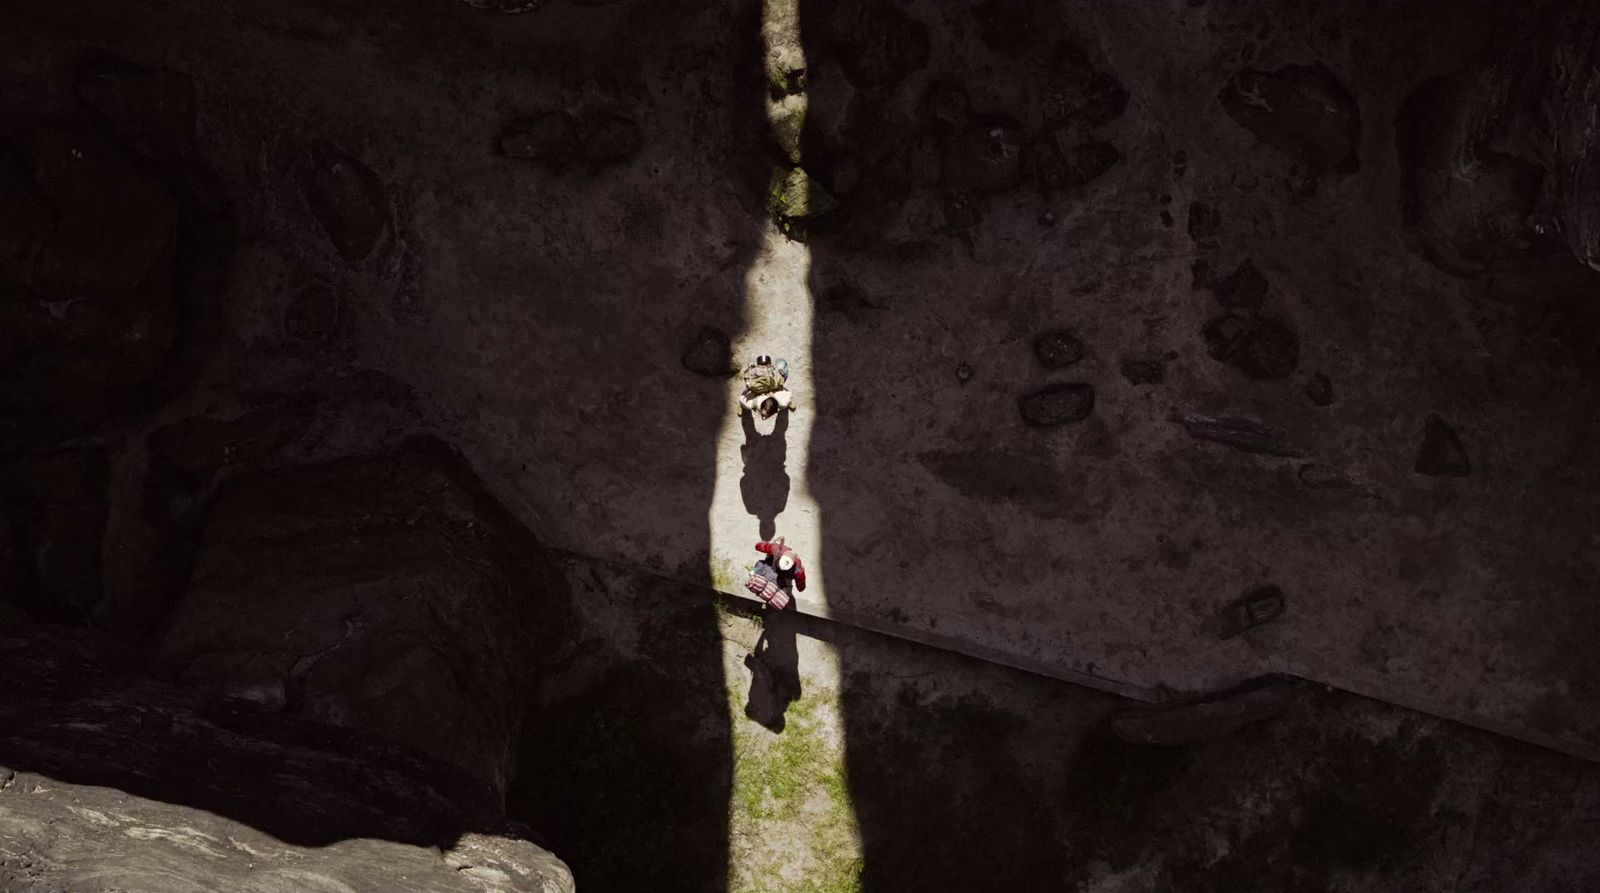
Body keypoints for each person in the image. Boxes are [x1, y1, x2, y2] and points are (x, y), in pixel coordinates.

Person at [744, 536, 806, 611]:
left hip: (767, 572)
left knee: (760, 563)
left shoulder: (775, 549)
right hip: (781, 583)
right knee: (785, 590)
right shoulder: (798, 570)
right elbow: (801, 586)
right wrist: (800, 588)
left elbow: (759, 546)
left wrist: (762, 546)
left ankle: (754, 572)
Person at [737, 354, 796, 419]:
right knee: (745, 403)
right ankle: (741, 404)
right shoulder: (754, 403)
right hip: (758, 394)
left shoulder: (782, 402)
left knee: (785, 400)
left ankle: (789, 401)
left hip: (772, 391)